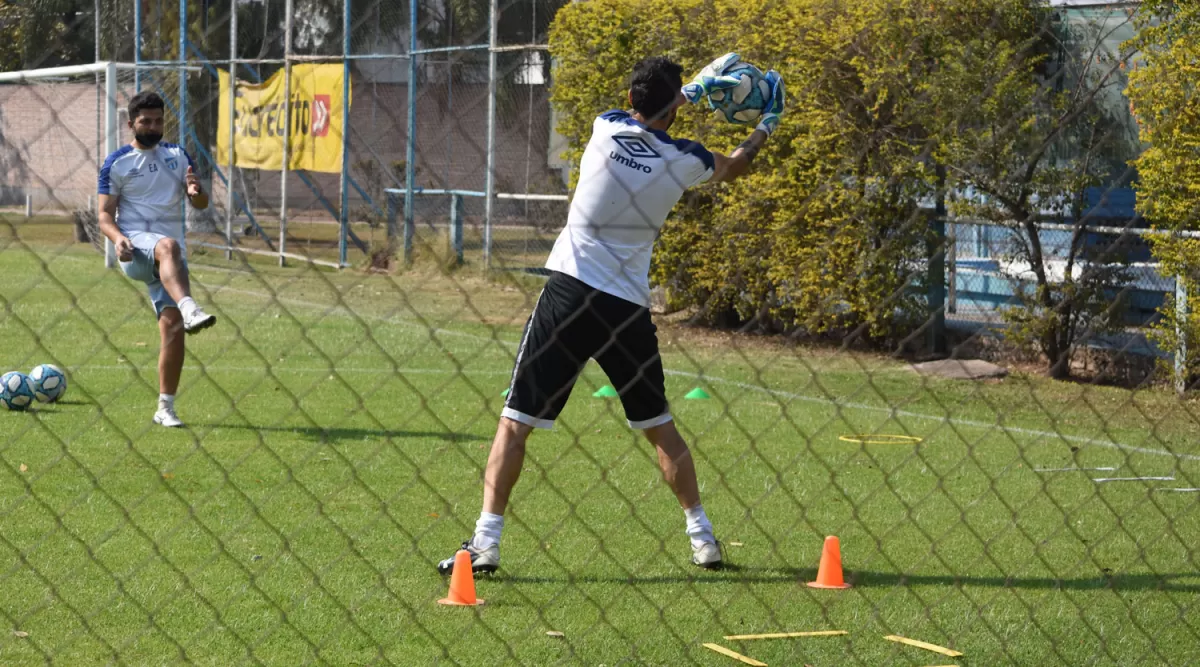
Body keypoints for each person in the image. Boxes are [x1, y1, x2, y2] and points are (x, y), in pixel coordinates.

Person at [437, 53, 784, 575]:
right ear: (672, 113)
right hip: (626, 308)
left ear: (630, 100)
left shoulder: (606, 127)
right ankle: (703, 537)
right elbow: (734, 166)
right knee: (660, 426)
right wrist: (765, 127)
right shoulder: (683, 158)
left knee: (515, 423)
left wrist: (690, 88)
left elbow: (657, 108)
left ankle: (486, 543)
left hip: (570, 295)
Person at [97, 91, 217, 428]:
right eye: (145, 121)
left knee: (173, 330)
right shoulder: (117, 162)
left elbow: (202, 204)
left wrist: (197, 192)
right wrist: (119, 239)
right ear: (131, 122)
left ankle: (165, 408)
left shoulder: (178, 156)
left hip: (170, 265)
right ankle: (190, 307)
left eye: (158, 120)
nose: (153, 126)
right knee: (167, 245)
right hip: (136, 250)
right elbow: (104, 216)